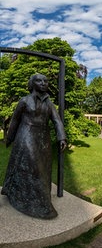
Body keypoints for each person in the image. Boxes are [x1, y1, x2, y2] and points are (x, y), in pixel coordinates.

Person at [1, 73, 66, 219]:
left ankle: (32, 198)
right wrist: (10, 137)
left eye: (45, 81)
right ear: (32, 83)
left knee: (43, 170)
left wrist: (61, 137)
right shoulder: (24, 101)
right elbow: (15, 121)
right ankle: (39, 205)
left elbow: (57, 121)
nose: (43, 83)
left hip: (44, 139)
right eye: (39, 80)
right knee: (34, 168)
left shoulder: (49, 104)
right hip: (26, 135)